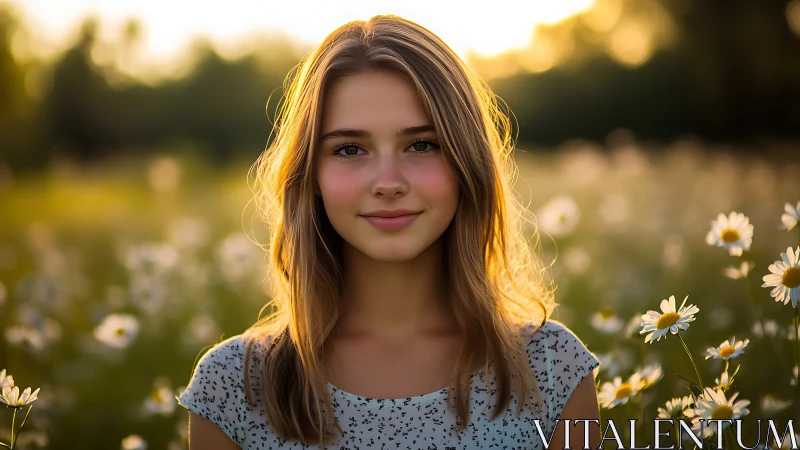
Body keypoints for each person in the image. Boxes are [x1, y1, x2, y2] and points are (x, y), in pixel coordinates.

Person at [177, 14, 601, 449]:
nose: (388, 182)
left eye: (422, 144)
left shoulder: (551, 368)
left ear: (466, 164)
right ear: (311, 177)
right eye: (349, 149)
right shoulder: (232, 387)